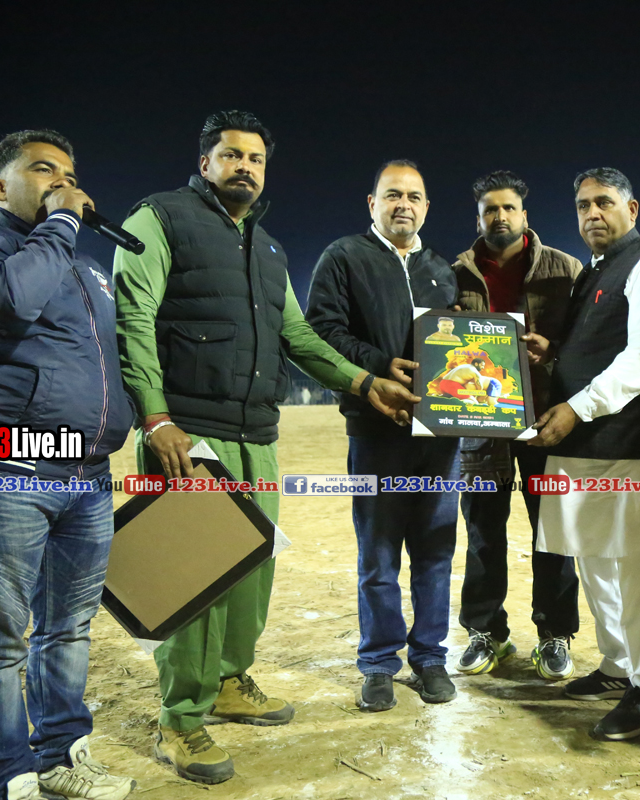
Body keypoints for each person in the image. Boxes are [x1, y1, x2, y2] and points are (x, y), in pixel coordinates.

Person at [114, 112, 415, 784]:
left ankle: (228, 681)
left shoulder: (269, 249)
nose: (244, 167)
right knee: (193, 584)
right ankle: (179, 720)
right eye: (231, 155)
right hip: (187, 435)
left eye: (255, 158)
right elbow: (133, 316)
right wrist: (155, 417)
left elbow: (299, 338)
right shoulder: (158, 219)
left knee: (250, 576)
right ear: (205, 163)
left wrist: (366, 383)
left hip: (256, 435)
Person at [0, 130, 137, 800]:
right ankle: (6, 780)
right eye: (43, 170)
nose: (61, 181)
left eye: (69, 174)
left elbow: (108, 362)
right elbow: (15, 298)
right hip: (4, 472)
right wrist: (61, 222)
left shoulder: (85, 267)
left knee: (68, 630)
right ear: (0, 186)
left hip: (88, 477)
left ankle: (60, 757)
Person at [528, 168, 640, 741]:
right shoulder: (593, 271)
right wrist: (553, 353)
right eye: (583, 205)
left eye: (604, 202)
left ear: (632, 209)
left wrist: (575, 407)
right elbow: (597, 347)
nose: (592, 213)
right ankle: (618, 663)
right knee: (592, 556)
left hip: (632, 444)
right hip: (583, 444)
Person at [306, 160, 460, 713]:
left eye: (414, 197)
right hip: (376, 432)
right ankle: (378, 662)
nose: (403, 205)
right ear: (372, 203)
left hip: (440, 437)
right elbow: (321, 331)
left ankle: (431, 658)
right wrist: (376, 366)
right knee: (378, 554)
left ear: (426, 207)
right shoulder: (343, 257)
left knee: (436, 552)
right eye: (392, 195)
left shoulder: (443, 269)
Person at [451, 170, 583, 680]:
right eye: (490, 209)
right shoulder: (456, 274)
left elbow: (587, 342)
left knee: (554, 532)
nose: (499, 216)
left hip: (548, 424)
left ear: (525, 215)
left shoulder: (565, 269)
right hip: (481, 426)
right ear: (478, 218)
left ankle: (555, 634)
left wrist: (554, 354)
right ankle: (487, 632)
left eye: (508, 208)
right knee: (483, 533)